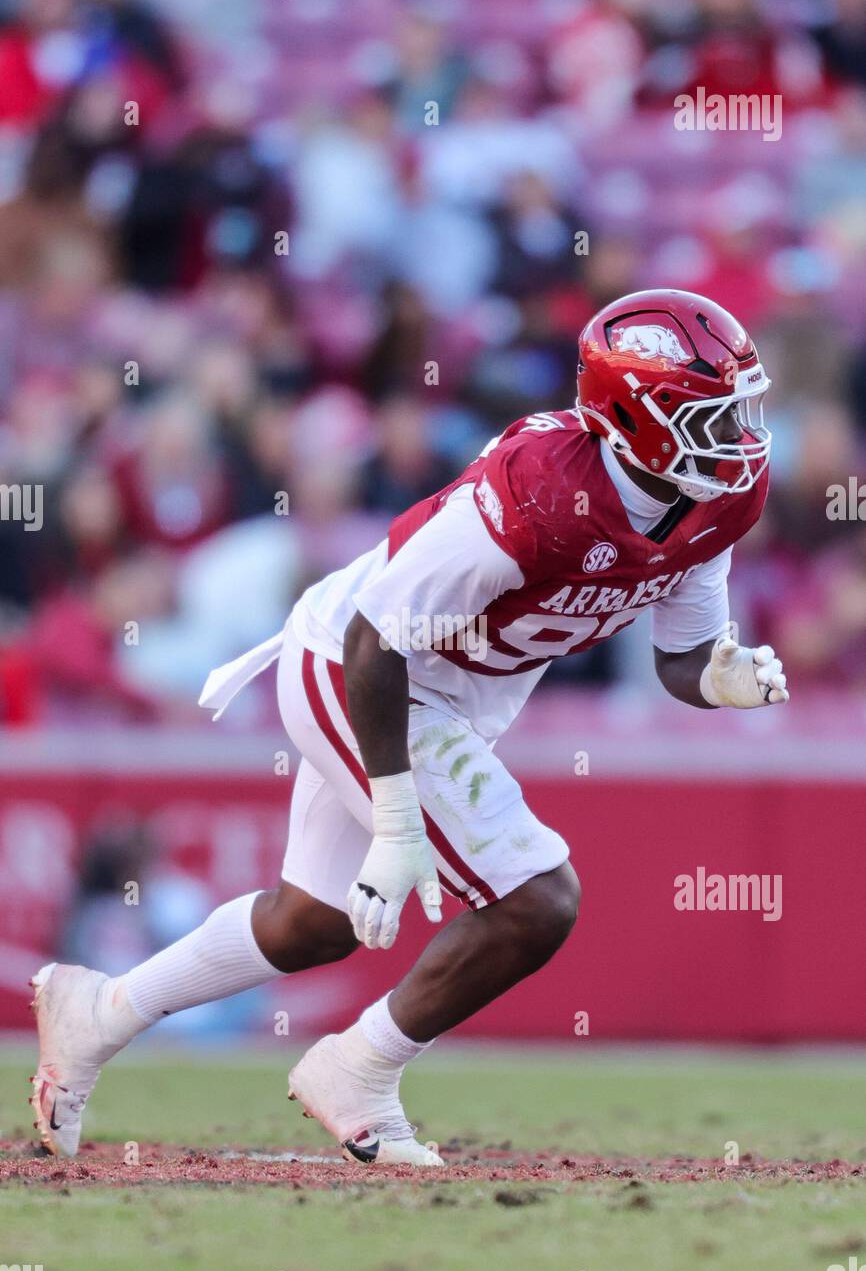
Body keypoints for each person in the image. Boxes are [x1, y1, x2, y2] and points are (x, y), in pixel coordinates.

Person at [30, 290, 789, 1167]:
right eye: (712, 413)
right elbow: (375, 638)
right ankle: (359, 1069)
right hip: (361, 668)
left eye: (741, 408)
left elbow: (680, 658)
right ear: (636, 416)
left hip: (446, 693)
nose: (739, 434)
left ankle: (99, 1013)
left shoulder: (720, 496)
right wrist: (395, 823)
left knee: (311, 924)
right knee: (537, 899)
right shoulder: (541, 488)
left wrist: (720, 678)